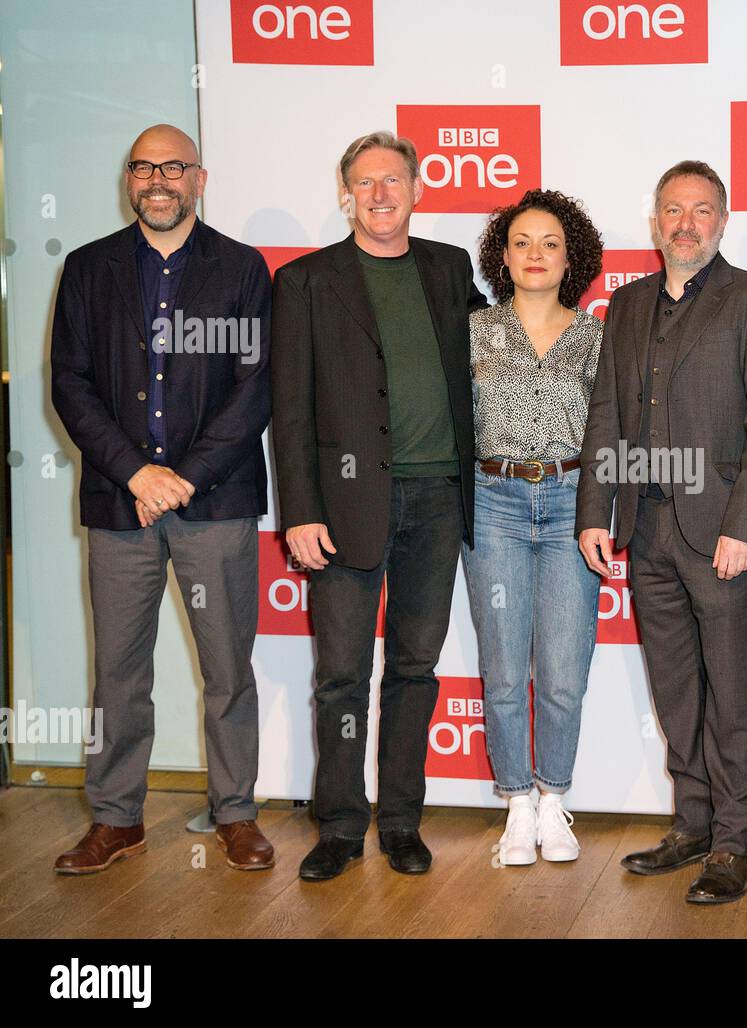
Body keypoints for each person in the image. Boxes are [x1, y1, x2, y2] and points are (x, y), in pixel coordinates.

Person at [50, 124, 274, 874]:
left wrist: (185, 476)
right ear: (128, 181)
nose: (157, 180)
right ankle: (116, 819)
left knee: (227, 668)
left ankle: (235, 813)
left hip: (215, 506)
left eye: (173, 167)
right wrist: (136, 474)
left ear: (199, 180)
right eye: (143, 167)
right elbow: (70, 386)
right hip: (121, 508)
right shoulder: (87, 268)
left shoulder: (243, 270)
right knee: (117, 671)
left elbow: (255, 388)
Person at [271, 131, 488, 881]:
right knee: (340, 675)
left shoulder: (448, 267)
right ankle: (337, 825)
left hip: (437, 501)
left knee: (414, 670)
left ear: (417, 189)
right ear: (345, 194)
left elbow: (498, 344)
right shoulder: (304, 282)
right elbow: (291, 410)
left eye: (392, 181)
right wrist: (299, 509)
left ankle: (401, 821)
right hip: (342, 507)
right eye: (364, 183)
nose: (380, 195)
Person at [576, 160, 747, 904]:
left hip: (720, 531)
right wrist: (593, 514)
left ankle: (737, 841)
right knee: (675, 690)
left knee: (734, 692)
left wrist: (746, 526)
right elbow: (605, 413)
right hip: (648, 527)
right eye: (673, 210)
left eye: (702, 210)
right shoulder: (627, 306)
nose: (686, 223)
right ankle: (693, 823)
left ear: (722, 222)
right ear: (655, 222)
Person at [463, 189, 604, 865]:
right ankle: (516, 803)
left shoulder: (598, 336)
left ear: (571, 256)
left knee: (564, 670)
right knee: (501, 665)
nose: (536, 254)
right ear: (502, 254)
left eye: (550, 242)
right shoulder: (473, 330)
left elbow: (611, 436)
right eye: (521, 241)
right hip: (493, 504)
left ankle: (554, 799)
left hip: (574, 505)